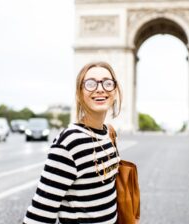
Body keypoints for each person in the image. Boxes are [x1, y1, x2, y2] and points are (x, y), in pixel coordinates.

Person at [23, 61, 122, 224]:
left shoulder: (108, 134)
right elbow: (39, 215)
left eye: (107, 83)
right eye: (90, 83)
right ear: (78, 93)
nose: (100, 88)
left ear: (115, 91)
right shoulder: (69, 142)